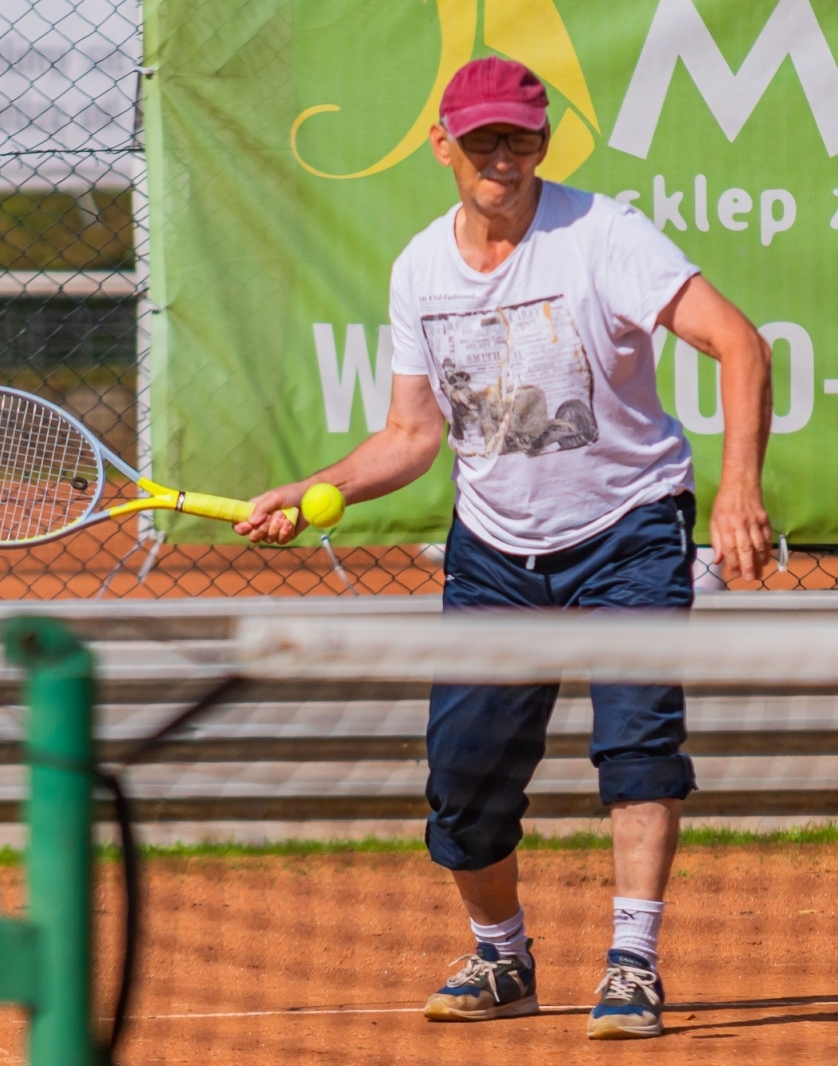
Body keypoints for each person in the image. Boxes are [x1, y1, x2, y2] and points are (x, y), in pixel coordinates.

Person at [236, 56, 773, 1040]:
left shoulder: (603, 235)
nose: (500, 156)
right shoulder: (417, 269)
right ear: (441, 144)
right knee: (462, 777)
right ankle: (501, 956)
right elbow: (410, 434)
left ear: (542, 143)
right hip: (492, 552)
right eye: (480, 137)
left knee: (636, 745)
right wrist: (314, 496)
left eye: (518, 136)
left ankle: (633, 964)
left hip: (629, 529)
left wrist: (739, 488)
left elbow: (739, 343)